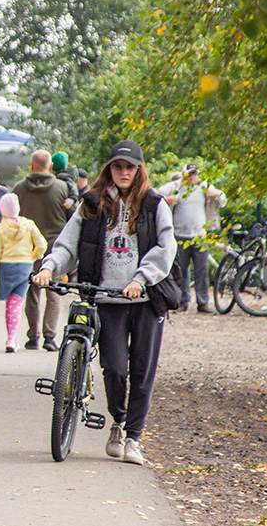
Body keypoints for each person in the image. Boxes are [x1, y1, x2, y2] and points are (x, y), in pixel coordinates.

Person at [32, 139, 176, 466]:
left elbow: (166, 249)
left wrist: (140, 280)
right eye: (118, 166)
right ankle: (119, 422)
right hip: (106, 298)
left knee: (142, 371)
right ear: (109, 169)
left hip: (145, 299)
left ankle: (134, 438)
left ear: (139, 170)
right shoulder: (93, 203)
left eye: (129, 167)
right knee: (114, 368)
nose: (123, 172)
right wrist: (49, 267)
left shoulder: (155, 204)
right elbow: (68, 244)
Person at [13, 150, 70, 351]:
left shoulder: (19, 189)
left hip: (28, 248)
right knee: (53, 293)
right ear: (50, 166)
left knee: (32, 292)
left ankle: (32, 336)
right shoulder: (62, 188)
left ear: (32, 165)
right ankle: (49, 336)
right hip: (56, 248)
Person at [159, 163, 226, 313]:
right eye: (190, 174)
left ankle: (203, 302)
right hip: (180, 235)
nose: (193, 176)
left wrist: (213, 192)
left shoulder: (204, 188)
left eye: (195, 173)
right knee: (181, 271)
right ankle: (183, 301)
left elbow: (223, 200)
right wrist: (179, 181)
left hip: (199, 236)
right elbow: (159, 193)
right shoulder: (178, 188)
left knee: (201, 270)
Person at [0, 193, 47, 352]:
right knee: (17, 302)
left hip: (7, 267)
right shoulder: (29, 224)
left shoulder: (0, 228)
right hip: (25, 266)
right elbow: (42, 244)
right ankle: (12, 339)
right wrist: (33, 256)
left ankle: (11, 338)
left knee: (10, 304)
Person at [52, 151, 80, 217]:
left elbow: (73, 188)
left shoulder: (63, 176)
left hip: (69, 209)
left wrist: (72, 199)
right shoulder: (69, 174)